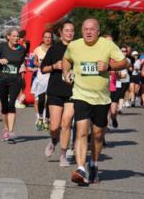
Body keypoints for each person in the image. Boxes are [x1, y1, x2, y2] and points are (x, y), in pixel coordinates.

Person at [62, 18, 128, 185]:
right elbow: (66, 60)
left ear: (98, 31)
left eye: (92, 29)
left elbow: (124, 62)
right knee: (81, 132)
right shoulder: (74, 45)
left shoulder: (107, 45)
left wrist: (109, 67)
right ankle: (81, 168)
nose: (89, 32)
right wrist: (65, 73)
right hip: (80, 95)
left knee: (98, 135)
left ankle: (94, 164)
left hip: (101, 98)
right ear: (81, 31)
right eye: (85, 29)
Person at [41, 21, 76, 166]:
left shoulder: (78, 49)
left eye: (72, 30)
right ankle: (54, 140)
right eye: (67, 30)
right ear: (61, 32)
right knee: (54, 127)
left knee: (66, 123)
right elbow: (43, 69)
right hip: (55, 90)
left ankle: (63, 155)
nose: (70, 33)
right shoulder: (54, 49)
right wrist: (54, 66)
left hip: (73, 91)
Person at [0, 27, 27, 142]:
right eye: (14, 36)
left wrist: (23, 67)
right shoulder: (1, 47)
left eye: (17, 36)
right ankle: (5, 129)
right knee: (4, 105)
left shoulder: (22, 49)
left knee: (11, 104)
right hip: (2, 80)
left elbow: (22, 62)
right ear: (8, 37)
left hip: (15, 80)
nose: (16, 38)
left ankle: (10, 131)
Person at [31, 30, 54, 131]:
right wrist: (41, 65)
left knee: (48, 100)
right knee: (40, 100)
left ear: (51, 39)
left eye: (49, 37)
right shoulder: (38, 49)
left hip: (51, 77)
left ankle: (46, 120)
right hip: (41, 77)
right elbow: (34, 62)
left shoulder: (54, 49)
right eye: (46, 37)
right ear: (43, 38)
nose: (47, 39)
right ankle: (39, 117)